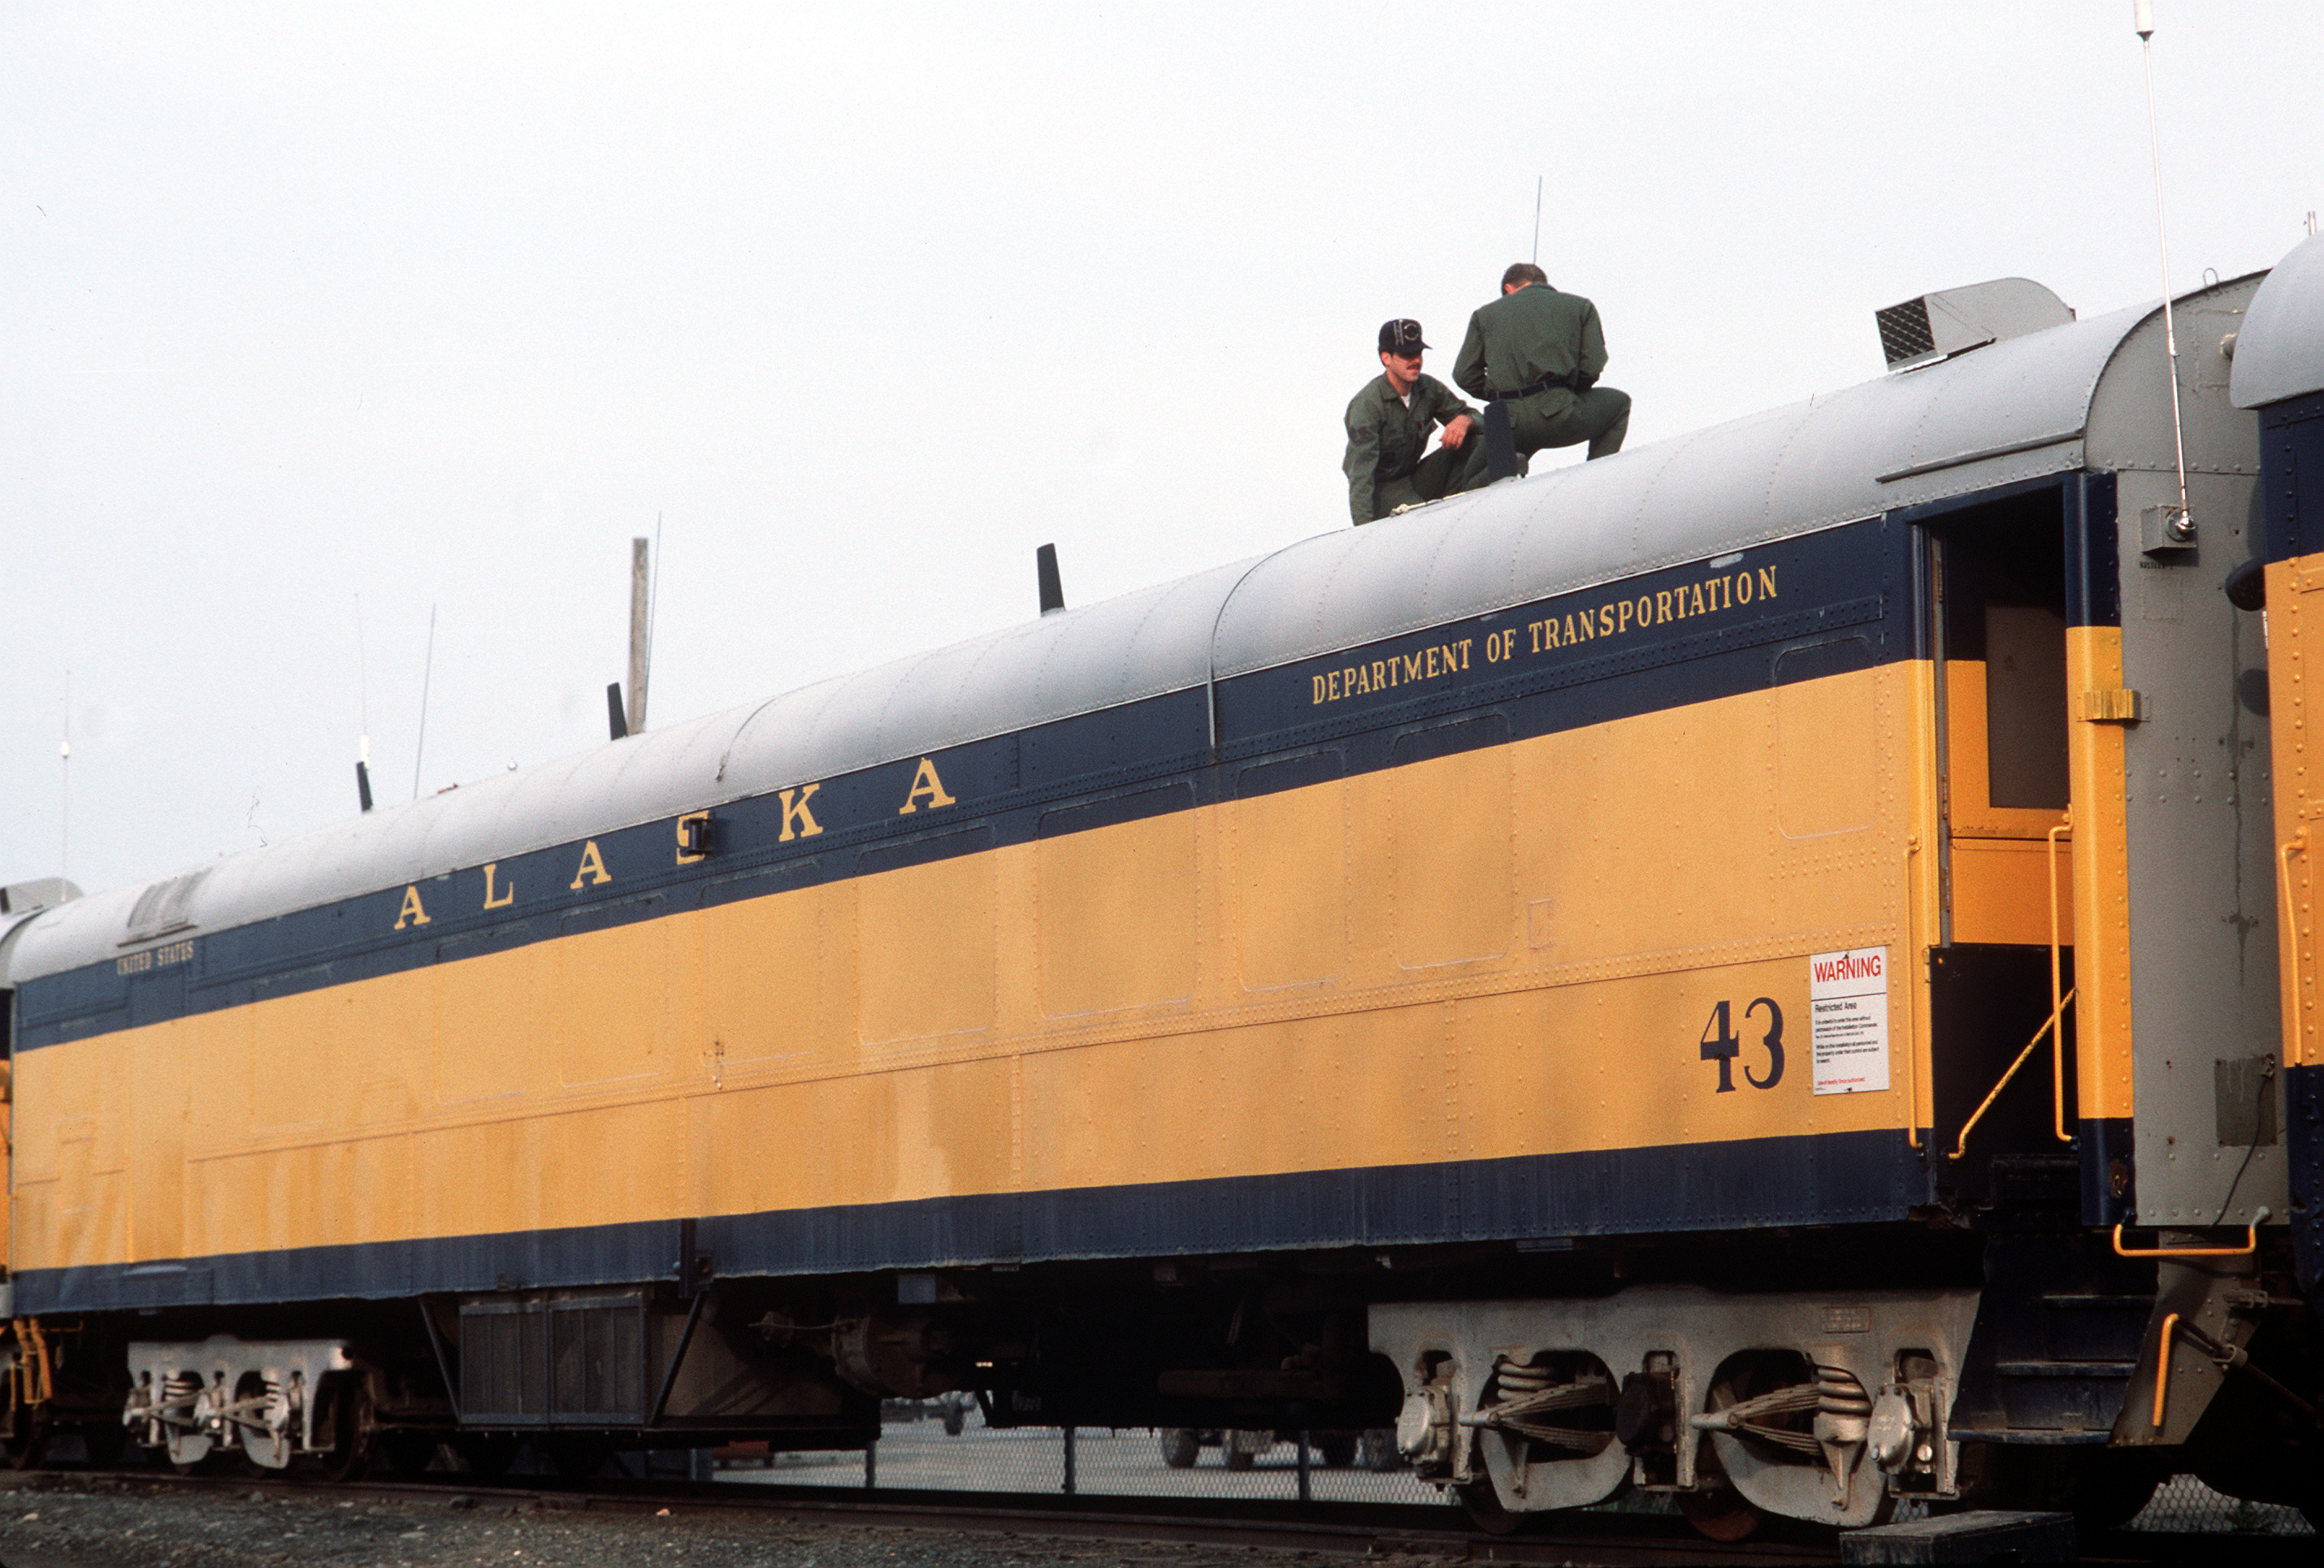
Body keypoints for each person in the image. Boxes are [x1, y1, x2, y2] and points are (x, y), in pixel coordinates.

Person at [1452, 263, 1630, 467]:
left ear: (1508, 289)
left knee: (1473, 477)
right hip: (1560, 414)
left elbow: (1463, 374)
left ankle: (1513, 467)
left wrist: (1498, 394)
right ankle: (1595, 477)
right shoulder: (1581, 306)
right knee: (1619, 404)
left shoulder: (1482, 315)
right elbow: (1592, 365)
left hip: (1509, 425)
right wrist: (1567, 393)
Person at [1342, 318, 1489, 526]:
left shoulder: (1428, 388)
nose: (1415, 361)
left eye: (1418, 353)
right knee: (1425, 522)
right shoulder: (1367, 405)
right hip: (1383, 489)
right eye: (1406, 355)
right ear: (1386, 358)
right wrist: (1364, 532)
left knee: (1478, 443)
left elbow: (1477, 418)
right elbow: (1361, 476)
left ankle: (1468, 509)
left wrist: (1464, 421)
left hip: (1415, 476)